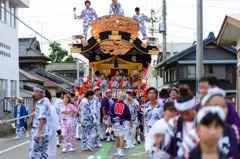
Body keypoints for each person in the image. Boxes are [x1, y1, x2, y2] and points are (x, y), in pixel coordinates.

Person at [177, 87, 240, 159]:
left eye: (223, 106)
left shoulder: (235, 132)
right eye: (215, 105)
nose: (219, 109)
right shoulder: (190, 139)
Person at [161, 85, 196, 159]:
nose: (184, 115)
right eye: (180, 112)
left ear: (194, 107)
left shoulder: (203, 121)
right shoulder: (174, 123)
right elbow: (164, 151)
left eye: (187, 112)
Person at [108, 92, 132, 157]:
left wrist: (108, 123)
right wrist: (131, 123)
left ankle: (118, 150)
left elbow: (110, 115)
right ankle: (120, 152)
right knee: (121, 138)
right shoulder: (125, 106)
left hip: (115, 123)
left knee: (116, 137)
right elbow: (129, 116)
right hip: (122, 123)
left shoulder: (113, 104)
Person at [29, 85, 50, 158]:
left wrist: (38, 132)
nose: (34, 93)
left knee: (34, 153)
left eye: (36, 91)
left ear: (42, 93)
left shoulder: (41, 102)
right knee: (43, 153)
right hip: (46, 131)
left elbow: (42, 117)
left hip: (38, 130)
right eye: (34, 91)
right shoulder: (47, 101)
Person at [45, 90, 64, 159]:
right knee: (51, 148)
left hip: (41, 132)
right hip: (52, 126)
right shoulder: (51, 107)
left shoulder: (38, 107)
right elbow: (55, 121)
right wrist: (59, 132)